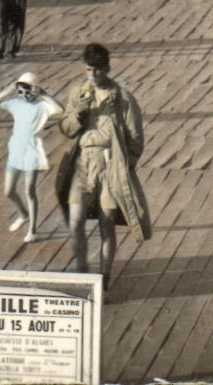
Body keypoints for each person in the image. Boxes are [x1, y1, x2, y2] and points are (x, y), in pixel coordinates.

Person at [54, 44, 149, 289]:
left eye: (97, 70)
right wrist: (77, 114)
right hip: (82, 163)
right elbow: (65, 128)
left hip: (110, 164)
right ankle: (82, 272)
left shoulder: (123, 99)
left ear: (107, 68)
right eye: (88, 70)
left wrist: (125, 165)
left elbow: (136, 138)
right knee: (75, 220)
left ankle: (104, 278)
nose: (93, 75)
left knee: (107, 223)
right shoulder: (78, 92)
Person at [0, 71, 63, 243]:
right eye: (20, 91)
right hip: (16, 150)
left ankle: (32, 230)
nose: (23, 95)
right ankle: (23, 214)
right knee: (9, 191)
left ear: (34, 90)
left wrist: (44, 94)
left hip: (32, 151)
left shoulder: (42, 106)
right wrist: (9, 89)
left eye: (27, 91)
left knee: (29, 190)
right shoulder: (16, 104)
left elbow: (60, 110)